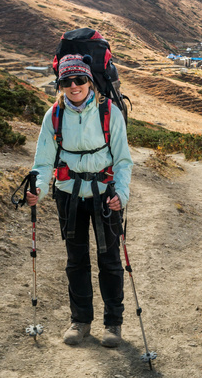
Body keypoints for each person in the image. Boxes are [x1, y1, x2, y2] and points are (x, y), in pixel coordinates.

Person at [26, 53, 133, 347]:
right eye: (67, 81)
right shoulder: (54, 115)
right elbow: (43, 161)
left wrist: (121, 195)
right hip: (68, 195)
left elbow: (123, 161)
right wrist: (37, 189)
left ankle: (113, 324)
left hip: (105, 195)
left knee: (110, 261)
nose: (74, 86)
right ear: (60, 84)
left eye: (80, 79)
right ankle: (81, 321)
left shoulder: (109, 112)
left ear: (89, 81)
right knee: (76, 261)